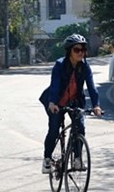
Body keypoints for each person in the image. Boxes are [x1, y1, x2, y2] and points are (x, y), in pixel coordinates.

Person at [39, 34, 102, 174]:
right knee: (54, 129)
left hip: (75, 101)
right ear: (69, 51)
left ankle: (77, 159)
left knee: (80, 127)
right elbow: (55, 85)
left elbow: (91, 87)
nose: (81, 53)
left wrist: (96, 105)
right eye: (77, 50)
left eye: (83, 50)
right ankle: (47, 159)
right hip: (56, 102)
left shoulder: (85, 66)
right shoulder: (60, 65)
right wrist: (53, 103)